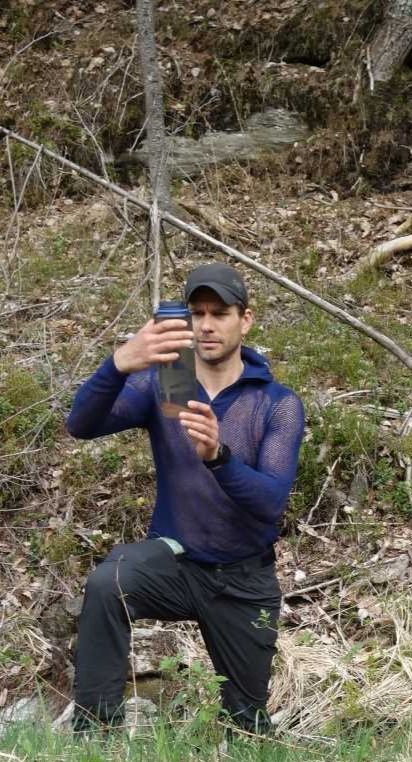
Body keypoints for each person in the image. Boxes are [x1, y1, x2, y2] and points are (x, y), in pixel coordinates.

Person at [63, 264, 305, 732]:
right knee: (108, 583)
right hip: (176, 563)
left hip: (244, 580)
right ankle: (94, 734)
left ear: (245, 320)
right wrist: (118, 364)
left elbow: (271, 502)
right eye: (197, 313)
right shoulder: (167, 386)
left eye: (220, 313)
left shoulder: (276, 403)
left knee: (247, 727)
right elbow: (81, 425)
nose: (207, 325)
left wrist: (218, 457)